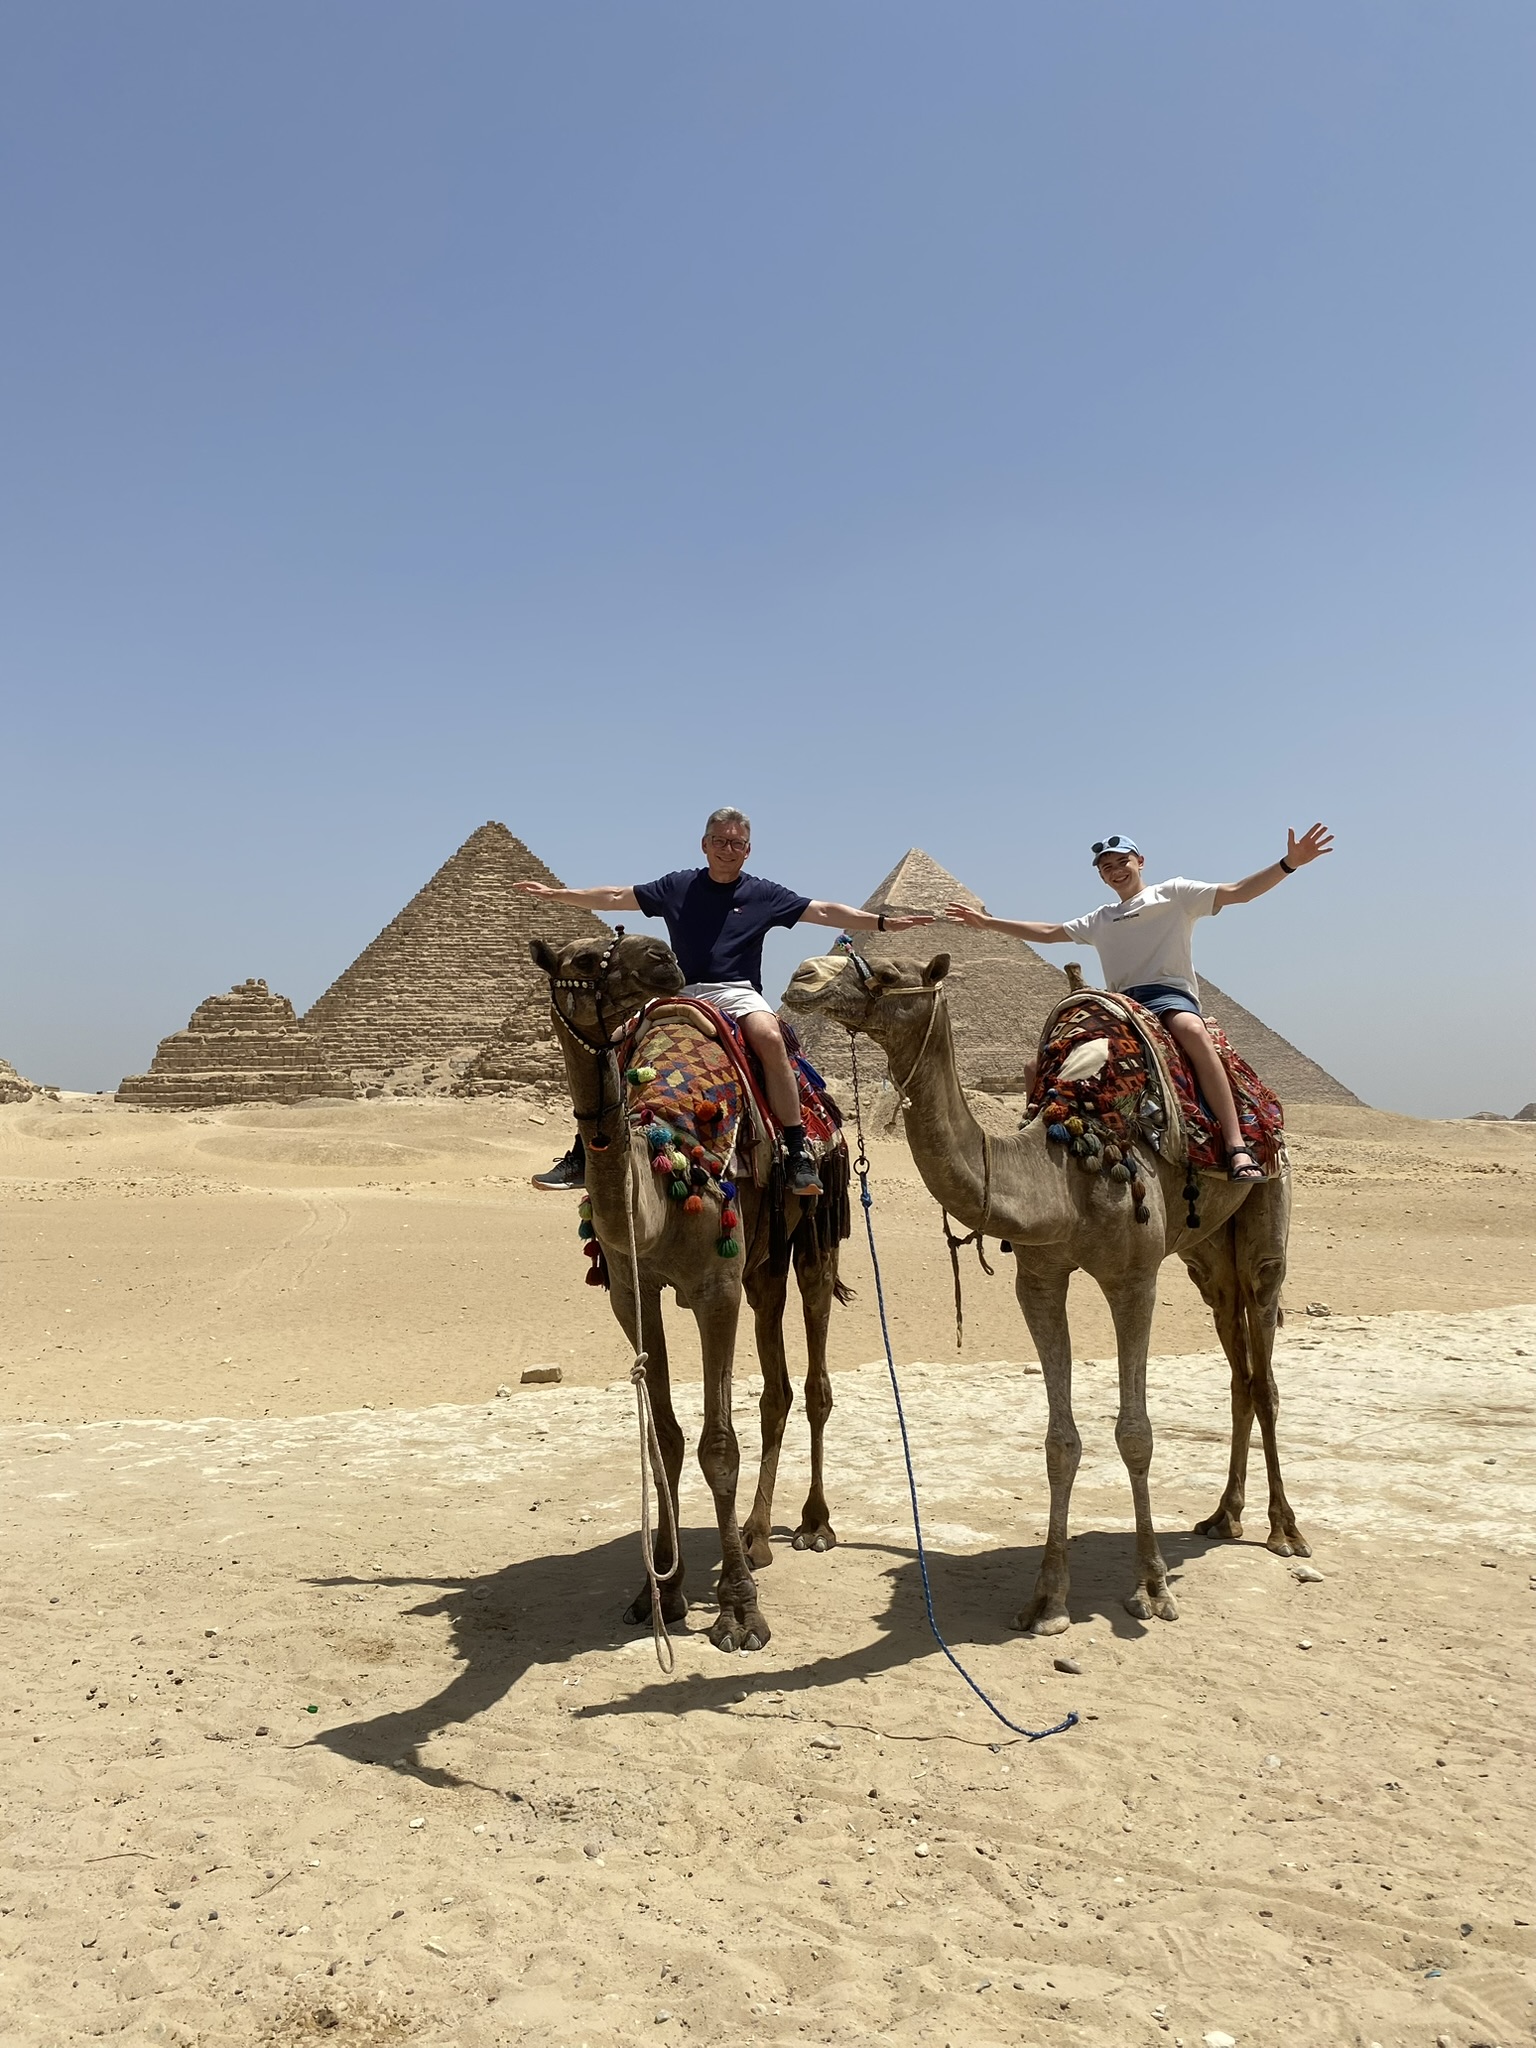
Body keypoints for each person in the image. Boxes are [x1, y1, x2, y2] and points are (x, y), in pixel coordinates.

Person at [518, 807, 931, 1195]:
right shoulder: (677, 885)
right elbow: (614, 896)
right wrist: (558, 895)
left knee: (769, 1037)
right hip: (679, 990)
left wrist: (881, 922)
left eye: (736, 843)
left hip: (736, 990)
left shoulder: (763, 894)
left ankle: (794, 1149)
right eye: (719, 840)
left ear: (747, 850)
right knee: (617, 1042)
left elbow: (821, 911)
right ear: (705, 844)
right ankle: (583, 1151)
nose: (727, 849)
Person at [945, 825, 1334, 1180]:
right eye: (1106, 867)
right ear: (1100, 874)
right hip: (1117, 1005)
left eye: (1121, 862)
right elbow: (1048, 933)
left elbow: (1239, 893)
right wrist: (987, 923)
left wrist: (1288, 864)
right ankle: (1037, 1152)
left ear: (1140, 862)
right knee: (1038, 1064)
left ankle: (1235, 1147)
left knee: (1192, 1030)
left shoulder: (1175, 894)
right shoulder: (1101, 917)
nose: (1115, 870)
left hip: (1167, 995)